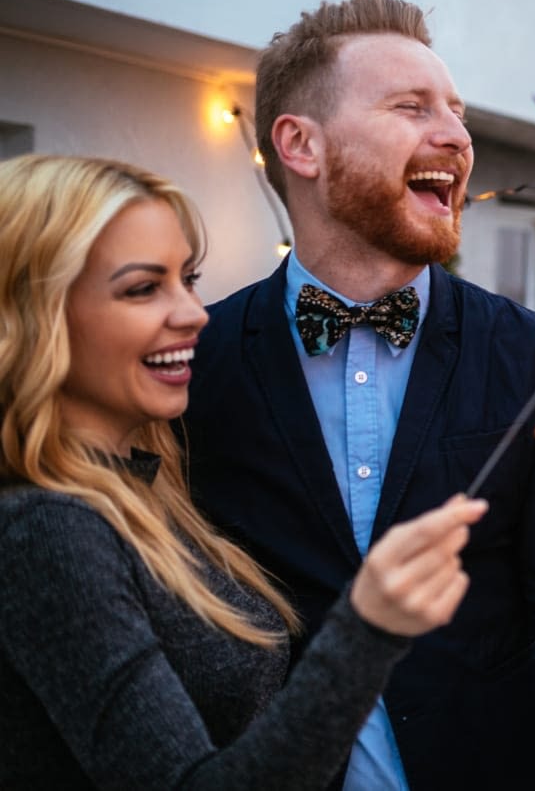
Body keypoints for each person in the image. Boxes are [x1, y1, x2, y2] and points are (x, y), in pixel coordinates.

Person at [180, 0, 535, 791]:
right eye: (411, 107)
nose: (457, 136)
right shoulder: (199, 362)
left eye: (457, 112)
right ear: (301, 144)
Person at [0, 154, 487, 790]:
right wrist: (367, 628)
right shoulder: (49, 528)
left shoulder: (150, 487)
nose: (194, 314)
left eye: (188, 279)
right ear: (36, 318)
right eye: (144, 288)